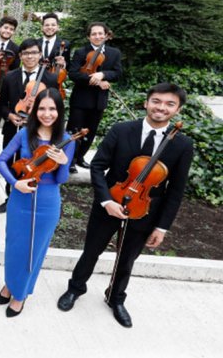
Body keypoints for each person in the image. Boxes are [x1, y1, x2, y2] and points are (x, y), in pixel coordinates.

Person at [57, 83, 193, 328]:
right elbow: (98, 166)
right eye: (157, 101)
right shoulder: (121, 130)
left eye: (169, 104)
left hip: (145, 210)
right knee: (91, 251)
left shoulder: (182, 145)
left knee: (127, 258)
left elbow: (176, 191)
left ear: (178, 109)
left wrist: (162, 227)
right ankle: (75, 289)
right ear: (146, 103)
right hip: (110, 202)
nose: (161, 107)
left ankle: (116, 297)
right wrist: (106, 200)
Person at [0, 88, 74, 317]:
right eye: (42, 108)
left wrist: (64, 162)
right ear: (34, 109)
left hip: (48, 201)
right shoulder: (24, 134)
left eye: (52, 109)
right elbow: (1, 160)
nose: (47, 113)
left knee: (35, 250)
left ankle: (20, 294)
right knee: (15, 245)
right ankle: (10, 284)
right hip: (21, 197)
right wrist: (14, 183)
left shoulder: (66, 140)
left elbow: (61, 179)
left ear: (59, 111)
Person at [0, 39, 58, 214]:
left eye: (34, 53)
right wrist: (9, 115)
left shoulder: (50, 78)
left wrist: (37, 120)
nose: (30, 57)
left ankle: (29, 193)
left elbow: (54, 106)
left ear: (40, 55)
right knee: (10, 161)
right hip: (12, 127)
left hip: (37, 130)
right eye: (26, 53)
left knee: (32, 161)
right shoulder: (9, 76)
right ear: (20, 56)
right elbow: (1, 104)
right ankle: (10, 197)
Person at [67, 22, 123, 172]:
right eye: (94, 34)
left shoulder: (114, 53)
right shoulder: (81, 52)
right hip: (81, 98)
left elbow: (117, 73)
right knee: (74, 129)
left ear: (105, 35)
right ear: (88, 37)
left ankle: (80, 157)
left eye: (100, 33)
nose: (97, 36)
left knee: (91, 130)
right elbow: (73, 74)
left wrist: (103, 74)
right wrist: (97, 81)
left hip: (99, 100)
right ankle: (69, 160)